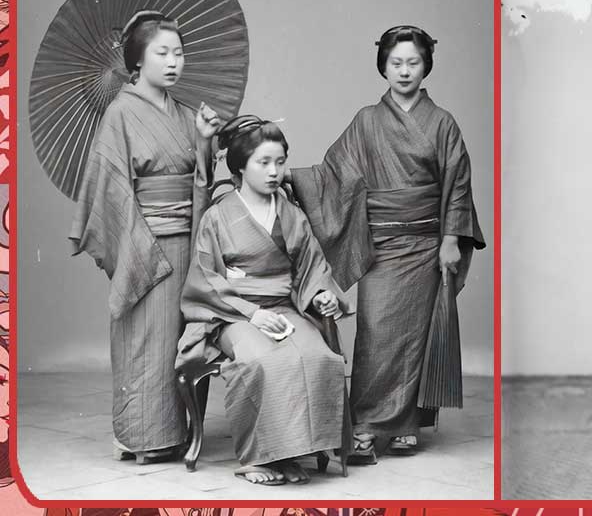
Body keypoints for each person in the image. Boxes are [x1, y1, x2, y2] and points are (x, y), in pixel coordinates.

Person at [290, 25, 486, 464]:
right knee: (376, 333)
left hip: (425, 244)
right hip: (380, 243)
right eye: (395, 62)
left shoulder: (442, 123)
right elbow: (334, 174)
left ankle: (405, 425)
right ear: (383, 65)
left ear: (425, 65)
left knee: (416, 336)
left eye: (412, 62)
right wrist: (292, 178)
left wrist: (451, 239)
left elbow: (457, 184)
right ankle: (366, 422)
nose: (404, 70)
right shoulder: (367, 121)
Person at [70, 10, 221, 464]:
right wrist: (139, 247)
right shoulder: (120, 112)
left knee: (181, 337)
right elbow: (111, 186)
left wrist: (204, 141)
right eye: (163, 52)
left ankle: (177, 432)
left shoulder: (186, 114)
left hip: (186, 242)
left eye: (179, 52)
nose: (174, 61)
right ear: (137, 60)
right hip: (144, 243)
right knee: (145, 341)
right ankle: (141, 437)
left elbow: (202, 178)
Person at [176, 116, 355, 485]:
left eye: (280, 162)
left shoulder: (292, 214)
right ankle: (257, 458)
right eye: (264, 162)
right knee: (263, 362)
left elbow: (312, 266)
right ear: (240, 165)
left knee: (319, 357)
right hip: (232, 314)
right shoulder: (217, 216)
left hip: (285, 307)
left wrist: (322, 296)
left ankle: (292, 454)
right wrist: (252, 313)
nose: (275, 172)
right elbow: (205, 278)